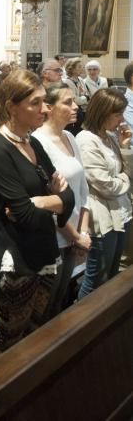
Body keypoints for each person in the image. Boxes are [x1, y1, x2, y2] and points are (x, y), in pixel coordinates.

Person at [0, 69, 74, 361]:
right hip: (18, 262)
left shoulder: (32, 143)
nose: (45, 109)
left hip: (44, 253)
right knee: (6, 345)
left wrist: (44, 202)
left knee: (35, 336)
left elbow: (68, 198)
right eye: (35, 103)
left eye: (45, 102)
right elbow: (24, 214)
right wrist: (53, 199)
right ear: (12, 107)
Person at [33, 83, 91, 315]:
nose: (75, 106)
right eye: (68, 102)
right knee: (45, 310)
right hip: (56, 239)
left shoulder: (69, 136)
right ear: (48, 106)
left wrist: (83, 232)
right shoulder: (38, 143)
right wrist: (75, 236)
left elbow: (83, 190)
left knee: (60, 304)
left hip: (75, 236)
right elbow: (47, 200)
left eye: (74, 101)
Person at [76, 88, 133, 299]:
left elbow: (125, 171)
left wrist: (124, 146)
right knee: (96, 278)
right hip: (101, 216)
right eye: (117, 115)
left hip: (119, 211)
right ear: (102, 113)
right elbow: (106, 185)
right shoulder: (86, 140)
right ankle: (80, 327)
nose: (121, 120)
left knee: (112, 273)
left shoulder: (108, 137)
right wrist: (125, 179)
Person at [64, 57, 89, 135]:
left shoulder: (81, 80)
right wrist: (85, 98)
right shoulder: (67, 82)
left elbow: (86, 93)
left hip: (84, 110)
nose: (82, 68)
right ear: (72, 69)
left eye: (82, 66)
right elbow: (75, 100)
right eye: (79, 67)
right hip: (75, 112)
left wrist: (84, 97)